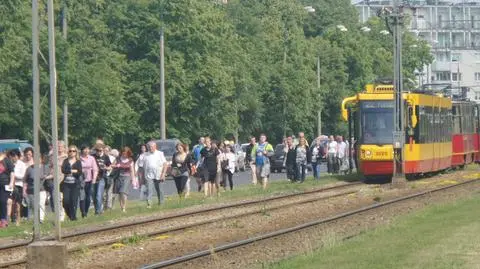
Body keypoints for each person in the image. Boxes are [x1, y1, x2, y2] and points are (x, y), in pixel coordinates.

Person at [23, 151, 49, 223]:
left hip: (42, 189)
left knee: (41, 204)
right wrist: (24, 190)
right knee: (33, 205)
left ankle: (41, 219)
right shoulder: (29, 169)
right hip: (31, 190)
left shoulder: (45, 168)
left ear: (41, 159)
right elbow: (25, 180)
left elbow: (50, 176)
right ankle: (34, 218)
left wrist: (46, 177)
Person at [61, 145, 83, 221]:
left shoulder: (78, 162)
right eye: (70, 151)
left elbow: (79, 172)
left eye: (73, 151)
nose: (72, 152)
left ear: (76, 152)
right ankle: (70, 215)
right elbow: (63, 170)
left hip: (75, 184)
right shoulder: (65, 161)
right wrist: (72, 171)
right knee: (65, 201)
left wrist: (71, 172)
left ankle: (73, 217)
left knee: (73, 201)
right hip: (66, 184)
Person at [143, 142, 167, 207]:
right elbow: (143, 166)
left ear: (155, 147)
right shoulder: (145, 155)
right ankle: (149, 204)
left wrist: (163, 174)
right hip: (149, 175)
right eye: (149, 147)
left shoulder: (160, 153)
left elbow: (165, 164)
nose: (150, 148)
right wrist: (142, 177)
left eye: (152, 147)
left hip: (159, 175)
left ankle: (161, 203)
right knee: (149, 190)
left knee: (159, 189)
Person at [115, 147, 135, 212]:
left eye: (126, 154)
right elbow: (112, 165)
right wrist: (116, 166)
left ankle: (124, 207)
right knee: (120, 193)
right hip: (119, 177)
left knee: (123, 192)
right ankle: (122, 207)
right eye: (123, 154)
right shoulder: (118, 159)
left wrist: (133, 179)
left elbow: (132, 171)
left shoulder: (130, 160)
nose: (124, 155)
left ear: (128, 154)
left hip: (127, 177)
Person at [80, 145, 98, 218]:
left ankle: (86, 211)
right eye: (85, 149)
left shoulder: (91, 158)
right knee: (82, 197)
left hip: (89, 180)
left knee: (88, 197)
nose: (87, 151)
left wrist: (94, 179)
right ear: (82, 150)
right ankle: (83, 213)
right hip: (81, 180)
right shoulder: (79, 158)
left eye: (88, 149)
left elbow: (95, 169)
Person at [93, 143, 111, 215]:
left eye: (100, 150)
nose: (98, 152)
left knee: (99, 195)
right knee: (94, 196)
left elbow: (110, 167)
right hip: (93, 178)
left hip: (102, 178)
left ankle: (98, 212)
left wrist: (106, 168)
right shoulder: (93, 157)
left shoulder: (105, 157)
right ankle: (98, 209)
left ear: (102, 150)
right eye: (97, 150)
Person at [9, 149, 25, 226]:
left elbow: (23, 176)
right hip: (10, 185)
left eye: (14, 156)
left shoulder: (21, 164)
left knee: (18, 203)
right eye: (12, 156)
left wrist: (14, 175)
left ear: (18, 156)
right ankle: (11, 218)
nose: (13, 158)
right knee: (10, 202)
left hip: (19, 185)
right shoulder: (8, 163)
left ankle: (18, 219)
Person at [0, 151, 15, 228]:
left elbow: (12, 172)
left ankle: (3, 220)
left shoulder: (6, 160)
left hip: (4, 184)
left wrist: (11, 183)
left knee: (2, 201)